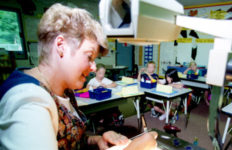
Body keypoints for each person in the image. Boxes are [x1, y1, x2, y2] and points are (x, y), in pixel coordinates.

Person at [0, 3, 157, 150]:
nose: (94, 67)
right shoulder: (29, 103)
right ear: (61, 46)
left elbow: (68, 141)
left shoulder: (63, 89)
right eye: (89, 57)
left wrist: (95, 140)